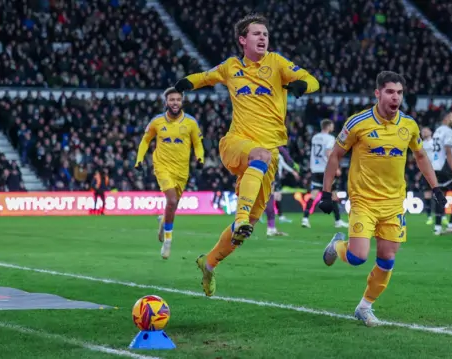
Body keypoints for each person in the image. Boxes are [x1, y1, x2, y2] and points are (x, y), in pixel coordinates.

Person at [173, 13, 319, 296]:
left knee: (251, 222)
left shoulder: (277, 63)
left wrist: (303, 85)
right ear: (243, 40)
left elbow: (310, 78)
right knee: (259, 161)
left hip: (267, 157)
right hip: (236, 143)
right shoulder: (231, 67)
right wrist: (184, 84)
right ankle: (240, 218)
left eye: (265, 33)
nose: (263, 37)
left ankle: (209, 263)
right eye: (256, 34)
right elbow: (205, 77)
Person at [318, 71, 447, 327]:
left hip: (393, 204)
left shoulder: (408, 125)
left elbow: (420, 156)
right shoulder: (358, 122)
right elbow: (335, 155)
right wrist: (325, 192)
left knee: (387, 260)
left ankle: (365, 307)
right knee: (357, 257)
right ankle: (336, 246)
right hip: (364, 201)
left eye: (399, 92)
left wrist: (437, 187)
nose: (395, 97)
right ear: (378, 94)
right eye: (390, 91)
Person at [134, 87, 205, 259]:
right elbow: (145, 141)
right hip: (162, 166)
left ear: (182, 101)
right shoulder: (157, 121)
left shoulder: (191, 122)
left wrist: (200, 158)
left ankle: (162, 221)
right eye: (171, 100)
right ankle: (168, 242)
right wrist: (139, 159)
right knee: (172, 200)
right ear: (166, 102)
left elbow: (197, 143)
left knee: (172, 206)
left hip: (182, 170)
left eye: (178, 100)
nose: (175, 103)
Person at [301, 119, 348, 229]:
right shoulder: (330, 138)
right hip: (326, 170)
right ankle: (338, 221)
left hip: (315, 169)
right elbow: (328, 153)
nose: (333, 127)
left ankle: (305, 219)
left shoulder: (315, 137)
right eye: (332, 125)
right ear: (328, 126)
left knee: (313, 194)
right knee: (334, 195)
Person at [265, 146, 300, 236]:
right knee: (271, 198)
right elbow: (284, 152)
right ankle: (271, 226)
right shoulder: (273, 151)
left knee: (273, 198)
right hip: (270, 176)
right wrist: (291, 164)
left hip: (270, 176)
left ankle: (272, 226)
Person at [420, 127, 448, 226]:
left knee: (439, 194)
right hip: (427, 172)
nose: (423, 132)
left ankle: (443, 216)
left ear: (430, 132)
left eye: (425, 130)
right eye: (422, 131)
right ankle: (429, 217)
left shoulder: (436, 142)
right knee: (427, 195)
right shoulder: (421, 144)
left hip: (437, 171)